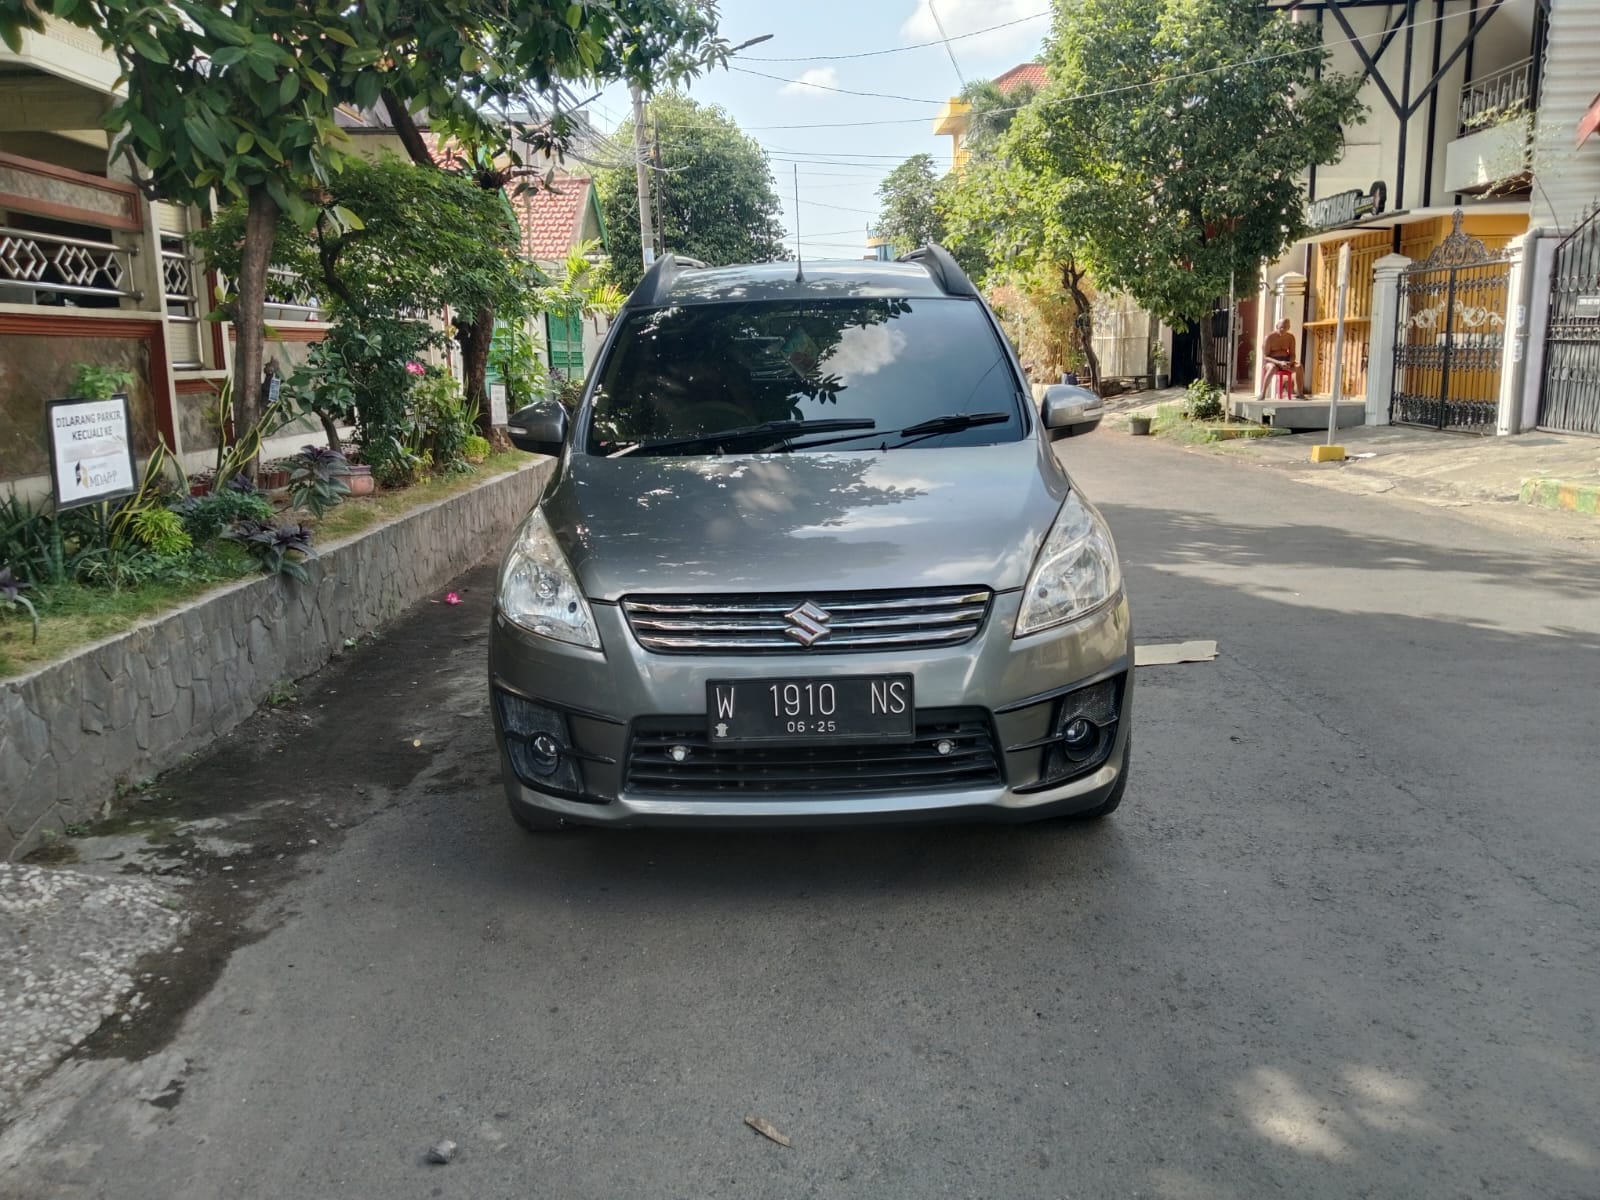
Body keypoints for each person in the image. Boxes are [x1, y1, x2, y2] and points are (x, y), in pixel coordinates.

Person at [1260, 319, 1305, 399]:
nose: (1283, 329)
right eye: (1281, 327)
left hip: (1286, 361)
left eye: (1285, 327)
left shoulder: (1290, 337)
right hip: (1272, 361)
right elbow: (1265, 356)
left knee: (1299, 366)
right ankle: (1263, 393)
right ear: (1277, 326)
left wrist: (1290, 363)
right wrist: (1279, 362)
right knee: (1272, 368)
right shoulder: (1269, 337)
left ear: (1289, 328)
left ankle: (1300, 393)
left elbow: (1292, 354)